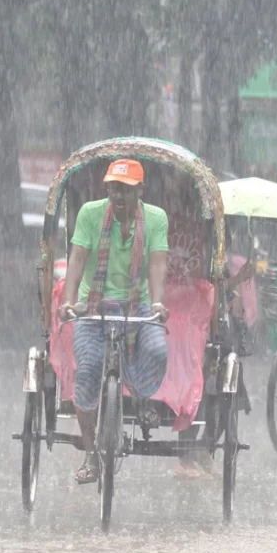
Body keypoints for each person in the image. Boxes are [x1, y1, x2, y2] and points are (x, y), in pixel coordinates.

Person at [57, 159, 170, 485]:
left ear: (140, 191)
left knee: (157, 352)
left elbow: (158, 265)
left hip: (139, 307)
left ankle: (142, 394)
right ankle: (91, 454)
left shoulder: (155, 218)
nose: (118, 195)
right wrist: (69, 301)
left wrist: (159, 303)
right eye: (113, 189)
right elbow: (77, 260)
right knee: (88, 370)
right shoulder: (91, 214)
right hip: (94, 306)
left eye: (125, 189)